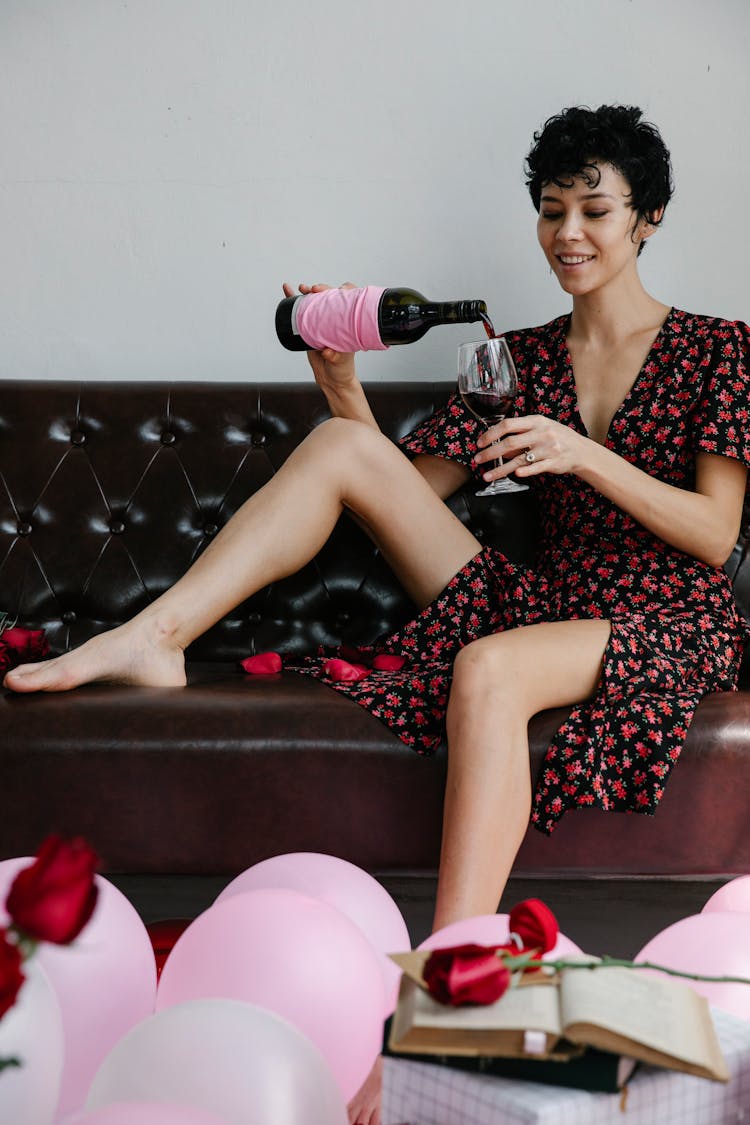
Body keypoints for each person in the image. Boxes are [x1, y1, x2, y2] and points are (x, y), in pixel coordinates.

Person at [4, 104, 749, 1124]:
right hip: (552, 600)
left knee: (489, 667)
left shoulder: (718, 348)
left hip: (670, 615)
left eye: (594, 209)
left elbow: (714, 533)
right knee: (337, 450)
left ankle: (438, 1004)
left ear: (647, 218)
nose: (568, 232)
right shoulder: (518, 358)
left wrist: (583, 455)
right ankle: (156, 637)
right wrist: (340, 384)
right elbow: (401, 488)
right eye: (550, 210)